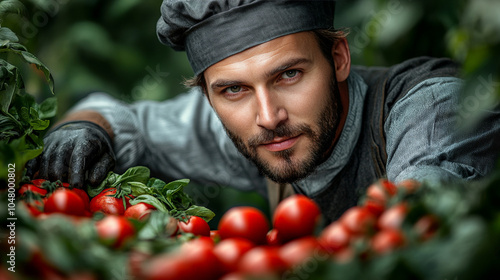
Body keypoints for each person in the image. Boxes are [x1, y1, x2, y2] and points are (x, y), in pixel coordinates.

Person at [26, 0, 500, 222]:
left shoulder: (433, 109)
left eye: (289, 75)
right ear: (209, 97)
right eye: (232, 90)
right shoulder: (267, 127)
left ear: (338, 57)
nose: (268, 115)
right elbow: (124, 121)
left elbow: (420, 230)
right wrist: (83, 129)